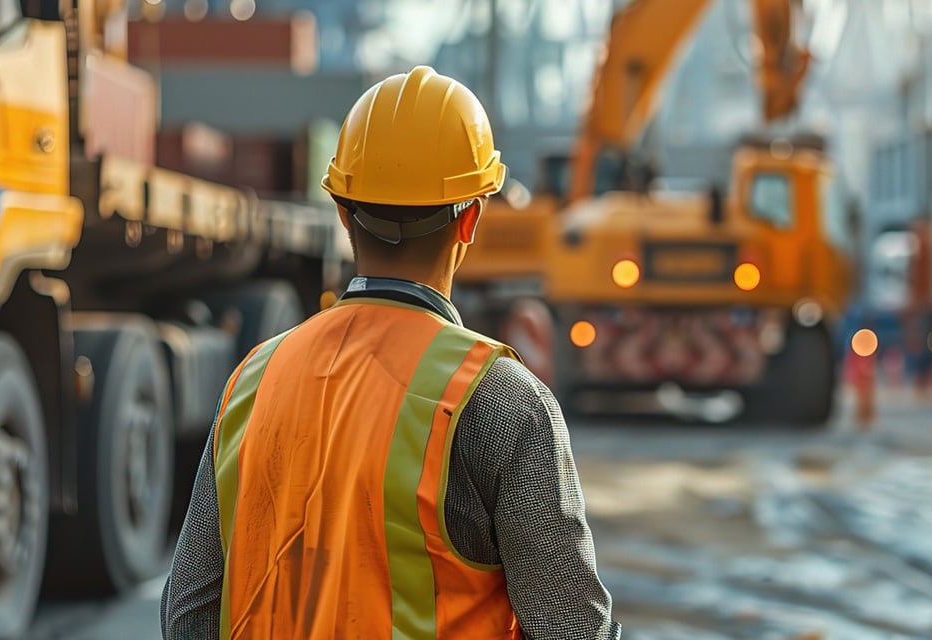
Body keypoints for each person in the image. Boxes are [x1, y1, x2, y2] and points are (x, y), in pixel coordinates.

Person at [160, 66, 619, 639]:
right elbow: (571, 627)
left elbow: (190, 615)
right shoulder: (499, 402)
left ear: (342, 212)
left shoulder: (254, 381)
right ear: (471, 219)